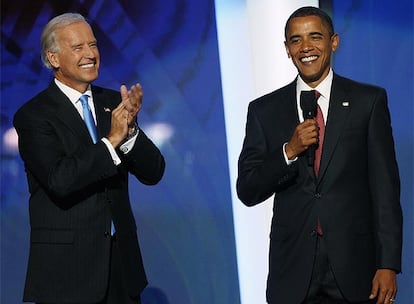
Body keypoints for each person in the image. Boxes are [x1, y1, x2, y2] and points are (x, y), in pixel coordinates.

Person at [236, 6, 402, 304]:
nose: (306, 47)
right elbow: (247, 189)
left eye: (315, 37)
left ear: (333, 41)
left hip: (355, 268)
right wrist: (289, 151)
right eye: (296, 40)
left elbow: (385, 191)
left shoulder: (368, 102)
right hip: (293, 271)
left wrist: (388, 264)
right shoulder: (264, 111)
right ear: (287, 49)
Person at [13, 13, 165, 304]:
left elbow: (154, 172)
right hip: (67, 274)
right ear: (53, 58)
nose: (90, 54)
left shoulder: (113, 104)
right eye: (78, 47)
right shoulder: (34, 116)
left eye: (93, 45)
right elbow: (61, 179)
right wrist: (111, 141)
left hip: (122, 270)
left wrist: (130, 131)